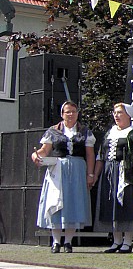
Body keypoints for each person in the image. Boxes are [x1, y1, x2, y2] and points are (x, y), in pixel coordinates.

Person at [32, 101, 96, 253]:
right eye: (67, 111)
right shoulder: (53, 131)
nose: (71, 114)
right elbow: (44, 150)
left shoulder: (85, 131)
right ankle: (55, 241)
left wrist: (90, 174)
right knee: (56, 202)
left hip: (77, 170)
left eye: (73, 111)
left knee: (74, 203)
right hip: (58, 169)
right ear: (62, 114)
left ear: (77, 113)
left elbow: (90, 154)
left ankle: (68, 242)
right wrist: (35, 155)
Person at [94, 103, 133, 253]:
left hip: (127, 171)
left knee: (127, 204)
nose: (116, 115)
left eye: (120, 113)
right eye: (115, 113)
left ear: (128, 115)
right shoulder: (110, 132)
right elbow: (100, 155)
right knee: (112, 204)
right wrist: (96, 174)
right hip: (110, 171)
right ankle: (116, 240)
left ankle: (128, 241)